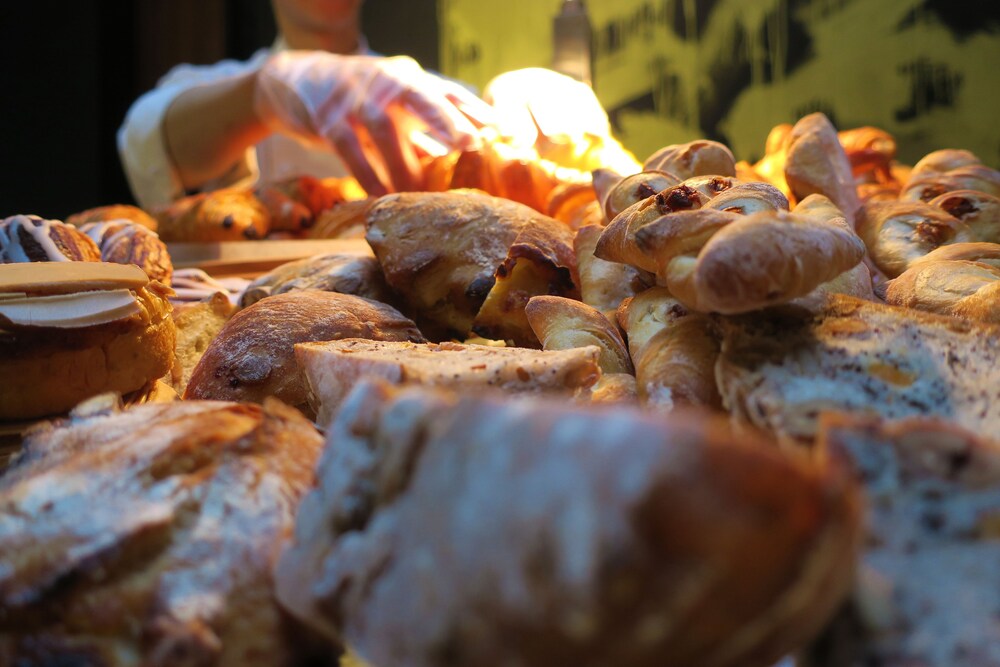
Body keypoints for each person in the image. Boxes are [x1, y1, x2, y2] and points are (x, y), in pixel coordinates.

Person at [119, 0, 495, 208]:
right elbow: (147, 143)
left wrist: (536, 98)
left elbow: (504, 167)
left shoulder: (436, 94)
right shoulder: (209, 85)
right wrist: (261, 94)